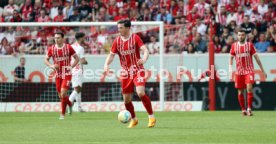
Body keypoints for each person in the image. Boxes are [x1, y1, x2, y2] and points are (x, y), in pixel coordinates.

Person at [104, 19, 156, 128]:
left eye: (121, 28)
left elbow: (145, 50)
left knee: (140, 92)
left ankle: (151, 117)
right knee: (126, 99)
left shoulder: (135, 38)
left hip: (138, 70)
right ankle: (134, 119)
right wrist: (106, 64)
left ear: (128, 28)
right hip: (125, 73)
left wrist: (144, 59)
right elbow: (111, 55)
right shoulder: (117, 41)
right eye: (118, 28)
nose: (119, 30)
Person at [229, 30, 267, 116]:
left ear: (245, 36)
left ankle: (249, 108)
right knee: (240, 91)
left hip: (249, 70)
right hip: (239, 72)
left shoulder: (249, 45)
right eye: (239, 35)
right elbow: (231, 58)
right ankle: (243, 109)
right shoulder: (234, 46)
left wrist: (263, 70)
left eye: (242, 35)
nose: (240, 37)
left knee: (249, 88)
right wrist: (230, 69)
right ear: (237, 36)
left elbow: (257, 58)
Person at [45, 32, 79, 120]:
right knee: (61, 96)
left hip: (67, 73)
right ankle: (70, 104)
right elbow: (46, 60)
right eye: (55, 38)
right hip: (58, 74)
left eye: (58, 38)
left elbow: (77, 58)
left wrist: (71, 66)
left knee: (63, 93)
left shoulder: (68, 47)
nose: (56, 39)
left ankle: (62, 114)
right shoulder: (52, 49)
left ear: (63, 38)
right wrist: (51, 66)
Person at [69, 32, 88, 112]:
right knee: (78, 89)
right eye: (84, 37)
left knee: (77, 89)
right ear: (80, 38)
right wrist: (86, 62)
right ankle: (67, 103)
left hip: (71, 69)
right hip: (77, 70)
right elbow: (82, 61)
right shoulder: (80, 48)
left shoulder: (70, 46)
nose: (85, 39)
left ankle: (79, 108)